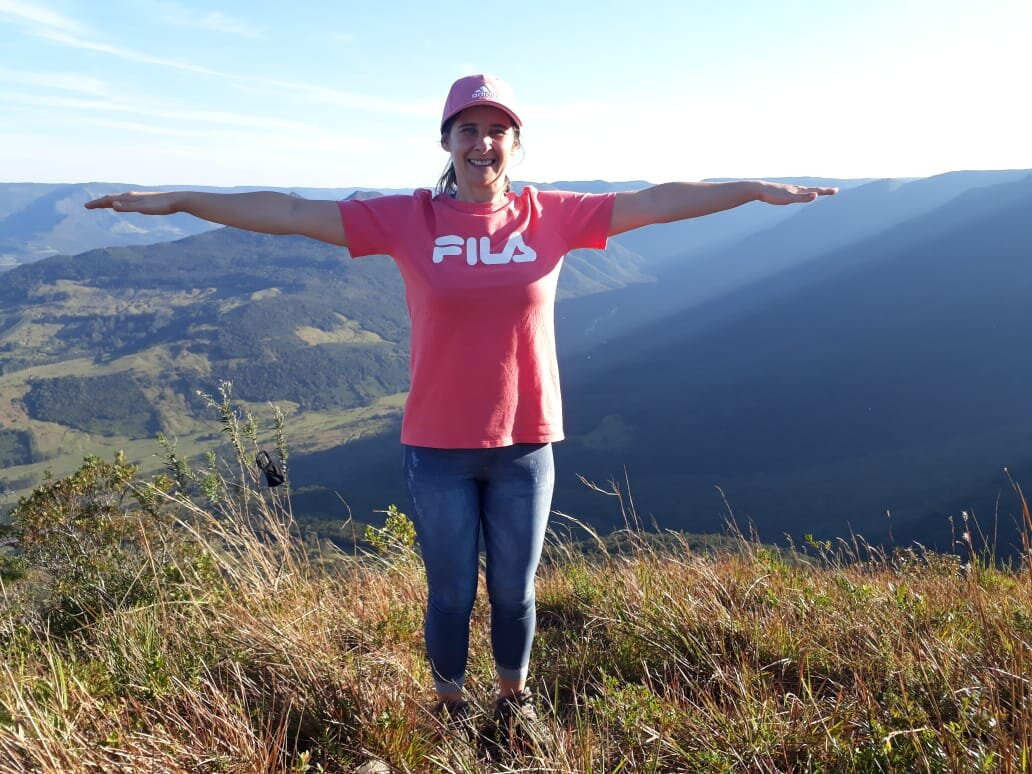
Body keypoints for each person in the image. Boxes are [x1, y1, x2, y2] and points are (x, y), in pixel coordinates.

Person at [86, 73, 836, 743]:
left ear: (516, 143)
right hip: (438, 448)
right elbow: (288, 209)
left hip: (525, 443)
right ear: (446, 141)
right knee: (449, 591)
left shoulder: (554, 214)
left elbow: (661, 200)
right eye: (469, 129)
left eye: (497, 130)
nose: (484, 142)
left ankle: (514, 700)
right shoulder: (407, 219)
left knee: (516, 589)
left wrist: (751, 188)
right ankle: (448, 705)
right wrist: (179, 199)